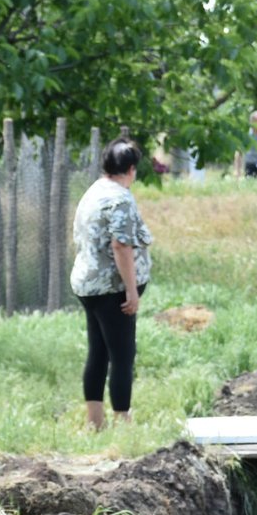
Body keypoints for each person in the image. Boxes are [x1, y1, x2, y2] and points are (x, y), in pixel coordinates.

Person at [70, 139, 152, 431]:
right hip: (110, 288)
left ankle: (94, 422)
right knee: (122, 355)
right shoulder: (121, 199)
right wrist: (131, 289)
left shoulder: (94, 190)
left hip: (87, 284)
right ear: (131, 170)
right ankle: (123, 423)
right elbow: (121, 245)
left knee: (98, 352)